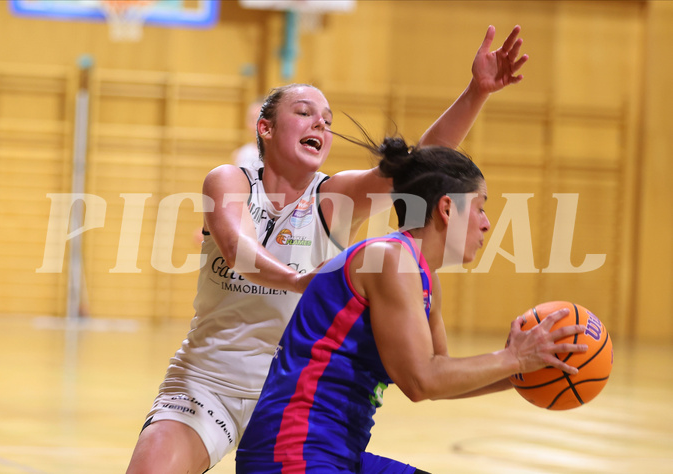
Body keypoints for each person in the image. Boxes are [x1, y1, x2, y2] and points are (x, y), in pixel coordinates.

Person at [126, 25, 529, 474]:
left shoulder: (333, 199)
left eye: (328, 120)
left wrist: (477, 92)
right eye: (304, 112)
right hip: (211, 382)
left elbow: (423, 166)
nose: (320, 122)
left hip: (293, 394)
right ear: (265, 127)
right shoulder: (231, 180)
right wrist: (300, 280)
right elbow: (236, 247)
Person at [235, 138, 588, 473]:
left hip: (337, 452)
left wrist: (528, 370)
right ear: (447, 208)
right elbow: (421, 381)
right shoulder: (390, 259)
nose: (487, 222)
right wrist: (514, 359)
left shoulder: (422, 275)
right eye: (480, 207)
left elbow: (442, 375)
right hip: (292, 452)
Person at [232, 99, 263, 169]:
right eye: (252, 119)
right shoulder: (239, 154)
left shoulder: (280, 155)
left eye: (260, 119)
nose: (255, 126)